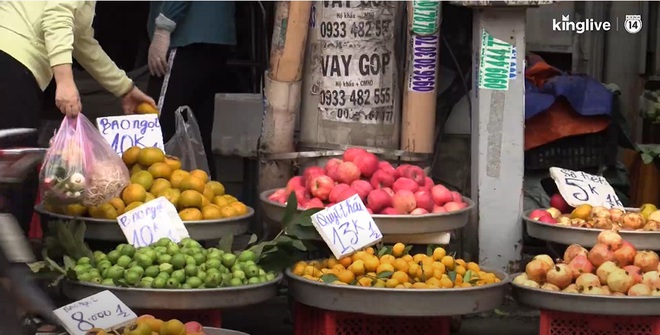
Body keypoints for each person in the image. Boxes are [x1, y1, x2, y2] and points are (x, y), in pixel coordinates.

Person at [0, 1, 156, 234]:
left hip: (11, 62)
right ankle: (10, 263)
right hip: (10, 63)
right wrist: (64, 81)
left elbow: (82, 41)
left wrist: (124, 88)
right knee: (15, 174)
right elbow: (57, 16)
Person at [146, 1, 236, 180]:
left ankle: (153, 205)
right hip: (212, 34)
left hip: (185, 34)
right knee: (199, 137)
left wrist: (164, 25)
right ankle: (207, 199)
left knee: (154, 134)